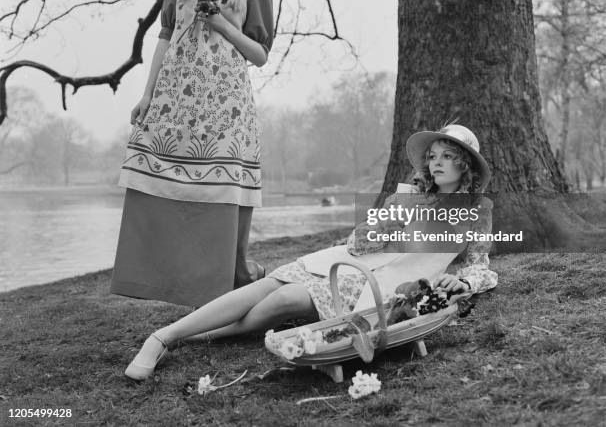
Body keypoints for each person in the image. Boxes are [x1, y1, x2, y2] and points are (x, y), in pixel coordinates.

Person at [124, 124, 497, 380]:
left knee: (283, 299)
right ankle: (162, 336)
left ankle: (185, 337)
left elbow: (480, 266)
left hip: (381, 286)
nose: (436, 163)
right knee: (272, 282)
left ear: (464, 166)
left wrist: (461, 280)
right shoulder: (408, 197)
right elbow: (357, 243)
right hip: (354, 262)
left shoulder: (477, 211)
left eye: (446, 156)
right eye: (432, 156)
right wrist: (390, 221)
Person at [111, 0, 274, 307]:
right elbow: (165, 35)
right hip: (175, 96)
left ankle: (228, 277)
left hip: (225, 101)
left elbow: (259, 54)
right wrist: (147, 95)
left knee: (223, 186)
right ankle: (165, 279)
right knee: (165, 177)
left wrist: (221, 24)